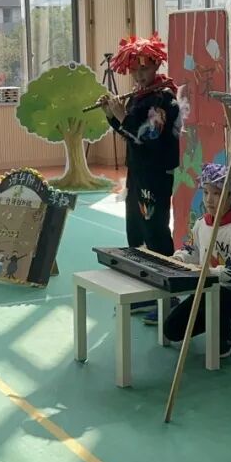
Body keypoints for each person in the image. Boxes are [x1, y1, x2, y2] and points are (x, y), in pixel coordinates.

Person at [95, 34, 181, 313]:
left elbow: (149, 136)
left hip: (155, 173)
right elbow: (130, 134)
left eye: (145, 68)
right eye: (134, 70)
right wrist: (112, 114)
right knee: (136, 228)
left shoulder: (163, 98)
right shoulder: (140, 96)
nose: (139, 74)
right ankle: (144, 292)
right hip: (138, 171)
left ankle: (167, 296)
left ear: (156, 65)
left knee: (155, 230)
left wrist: (122, 115)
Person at [159, 163, 231, 358]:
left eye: (217, 194)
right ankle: (217, 320)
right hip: (207, 288)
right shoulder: (201, 224)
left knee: (216, 299)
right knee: (172, 330)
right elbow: (190, 249)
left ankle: (225, 334)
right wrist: (178, 259)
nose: (209, 199)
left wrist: (211, 272)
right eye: (205, 192)